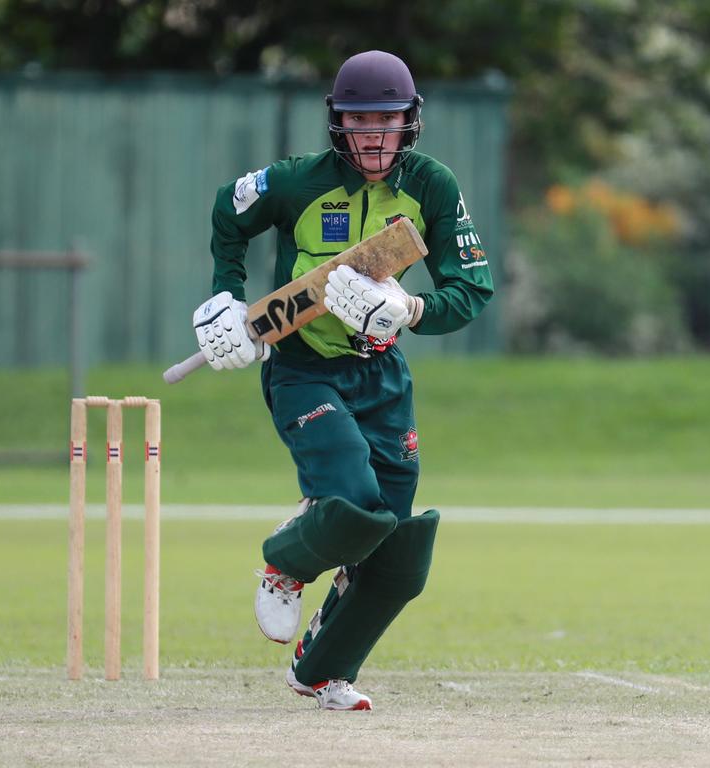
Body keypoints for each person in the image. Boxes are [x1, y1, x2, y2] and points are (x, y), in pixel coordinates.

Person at [192, 50, 493, 710]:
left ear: (410, 123)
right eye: (360, 120)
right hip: (302, 369)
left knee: (395, 543)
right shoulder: (300, 182)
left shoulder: (433, 187)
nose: (373, 135)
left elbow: (472, 288)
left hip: (381, 373)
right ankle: (285, 564)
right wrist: (223, 296)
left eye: (386, 121)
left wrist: (411, 309)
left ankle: (322, 670)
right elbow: (229, 209)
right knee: (354, 495)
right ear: (338, 124)